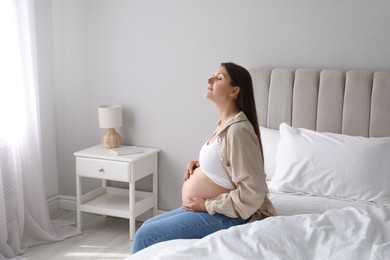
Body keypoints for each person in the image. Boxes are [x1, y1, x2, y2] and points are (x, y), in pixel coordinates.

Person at [131, 62, 276, 254]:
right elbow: (228, 162)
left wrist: (207, 204)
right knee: (147, 225)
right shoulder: (225, 125)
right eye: (213, 75)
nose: (210, 79)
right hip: (212, 209)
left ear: (234, 91)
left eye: (219, 77)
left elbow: (252, 194)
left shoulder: (238, 131)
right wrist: (202, 165)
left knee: (146, 234)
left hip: (231, 215)